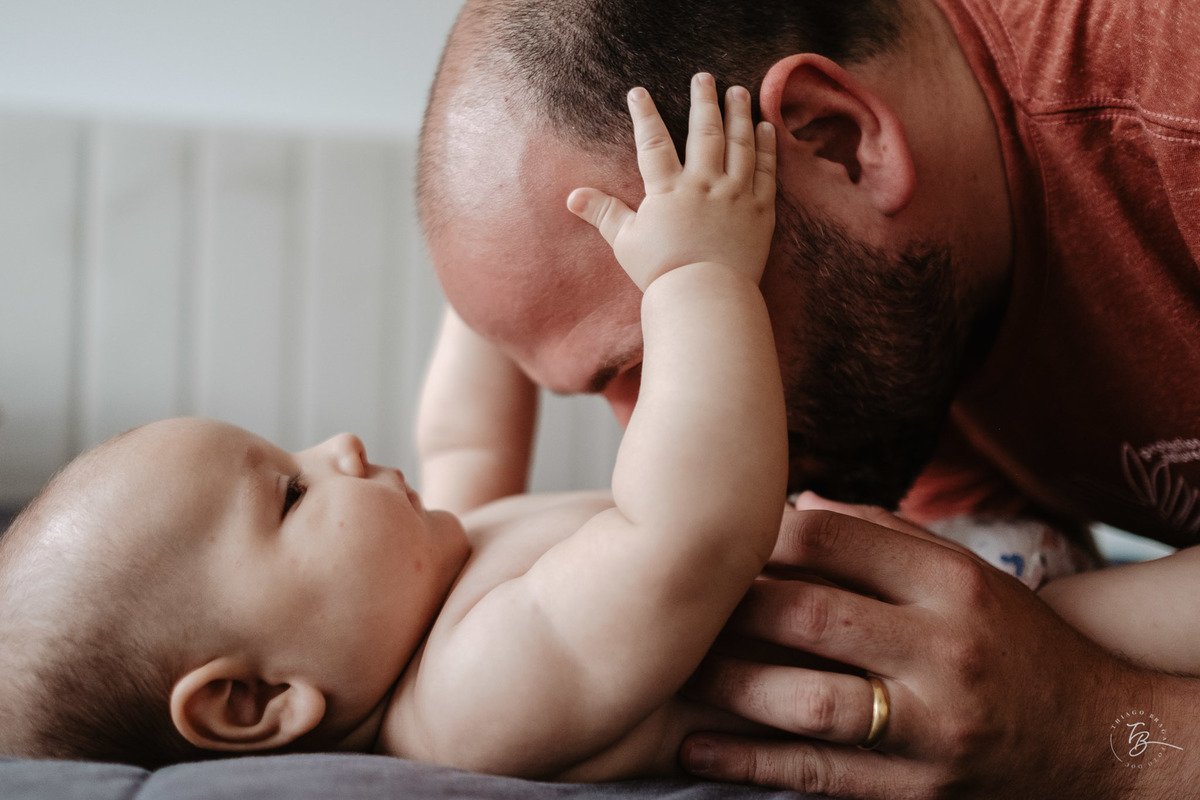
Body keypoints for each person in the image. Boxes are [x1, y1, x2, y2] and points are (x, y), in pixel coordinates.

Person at [416, 0, 1200, 797]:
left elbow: (1071, 673)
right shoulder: (889, 334)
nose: (640, 433)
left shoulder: (1175, 104)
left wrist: (1095, 735)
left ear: (837, 142)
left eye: (648, 356)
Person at [0, 78, 793, 780]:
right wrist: (697, 276)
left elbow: (466, 442)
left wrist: (488, 253)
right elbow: (690, 531)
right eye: (292, 494)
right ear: (255, 700)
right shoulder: (469, 694)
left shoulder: (430, 589)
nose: (339, 445)